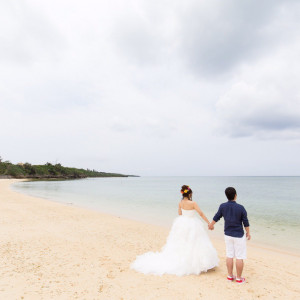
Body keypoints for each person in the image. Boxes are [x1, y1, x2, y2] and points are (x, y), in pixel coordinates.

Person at [131, 185, 219, 276]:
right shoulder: (193, 203)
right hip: (192, 223)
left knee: (182, 242)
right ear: (189, 194)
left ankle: (183, 260)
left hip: (182, 223)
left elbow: (180, 213)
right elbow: (200, 213)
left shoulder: (180, 202)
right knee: (194, 242)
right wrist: (209, 223)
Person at [209, 187, 250, 284]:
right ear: (235, 195)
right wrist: (248, 232)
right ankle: (239, 278)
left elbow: (217, 216)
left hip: (228, 234)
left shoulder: (223, 206)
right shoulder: (241, 208)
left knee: (229, 255)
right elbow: (245, 222)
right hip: (239, 235)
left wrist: (211, 224)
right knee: (239, 256)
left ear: (226, 196)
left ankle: (230, 276)